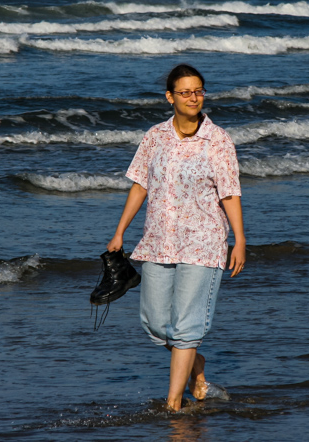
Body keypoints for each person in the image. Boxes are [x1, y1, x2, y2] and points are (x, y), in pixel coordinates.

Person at [107, 63, 247, 412]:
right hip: (158, 240)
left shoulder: (218, 140)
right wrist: (119, 231)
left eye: (198, 90)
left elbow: (229, 193)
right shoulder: (155, 136)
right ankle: (195, 364)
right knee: (154, 324)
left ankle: (174, 404)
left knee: (186, 327)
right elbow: (141, 184)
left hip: (204, 242)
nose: (193, 97)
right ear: (170, 97)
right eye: (185, 92)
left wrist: (240, 240)